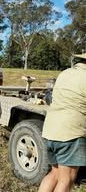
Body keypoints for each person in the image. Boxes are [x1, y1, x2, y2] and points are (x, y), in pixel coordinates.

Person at [38, 53, 86, 192]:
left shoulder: (65, 73)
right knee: (67, 179)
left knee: (54, 174)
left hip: (51, 129)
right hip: (70, 133)